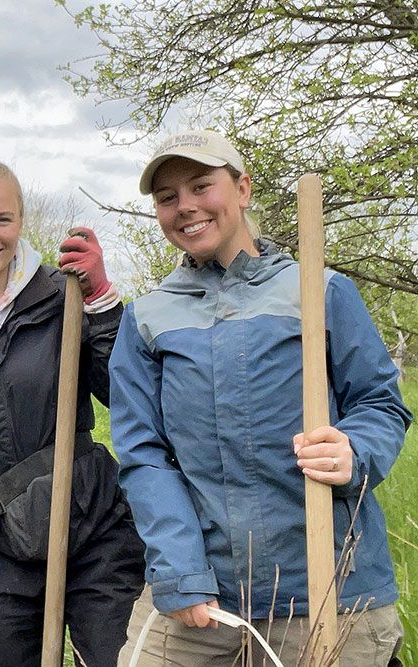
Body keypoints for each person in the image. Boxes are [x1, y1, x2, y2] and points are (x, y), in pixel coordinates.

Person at [112, 129, 412, 665]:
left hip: (330, 592)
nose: (186, 207)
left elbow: (381, 404)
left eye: (202, 186)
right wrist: (180, 571)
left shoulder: (320, 290)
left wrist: (353, 449)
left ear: (243, 189)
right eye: (167, 198)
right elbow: (143, 456)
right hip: (201, 598)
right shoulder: (146, 318)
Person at [0, 143, 145, 667]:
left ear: (20, 223)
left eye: (2, 219)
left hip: (89, 526)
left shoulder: (61, 297)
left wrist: (101, 301)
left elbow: (124, 392)